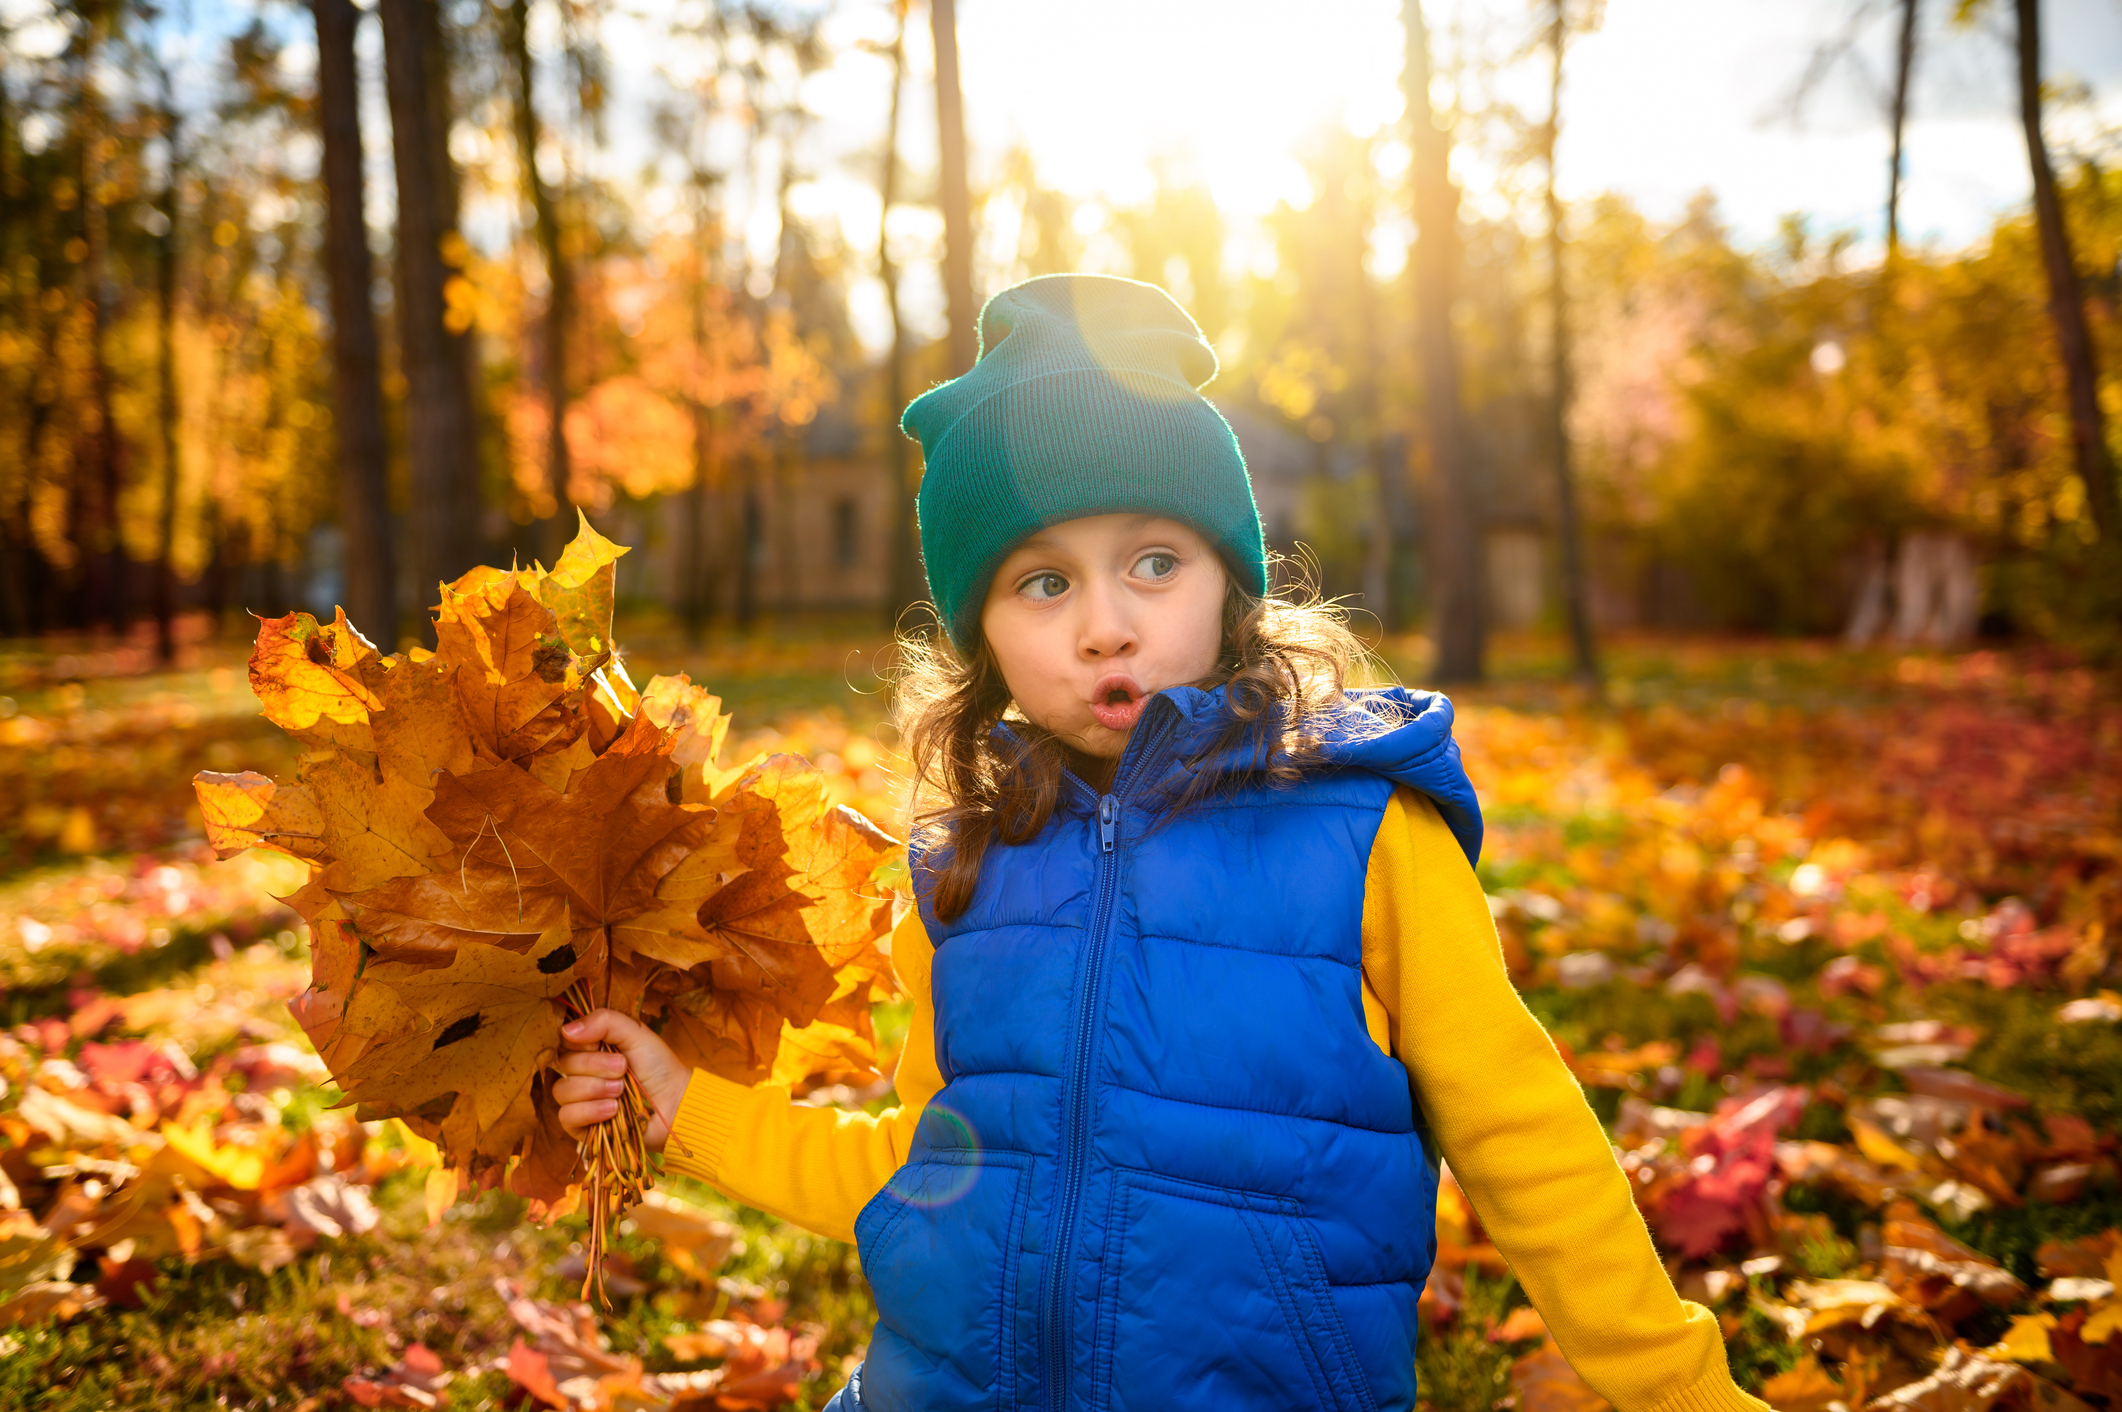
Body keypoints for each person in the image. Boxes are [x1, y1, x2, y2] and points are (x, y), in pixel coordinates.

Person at [555, 274, 1767, 1412]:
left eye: (1153, 560)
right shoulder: (965, 872)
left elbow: (1526, 1137)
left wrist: (1679, 1388)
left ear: (1228, 582)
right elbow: (930, 1170)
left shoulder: (1364, 839)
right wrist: (685, 1104)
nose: (1105, 625)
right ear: (979, 631)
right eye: (1041, 580)